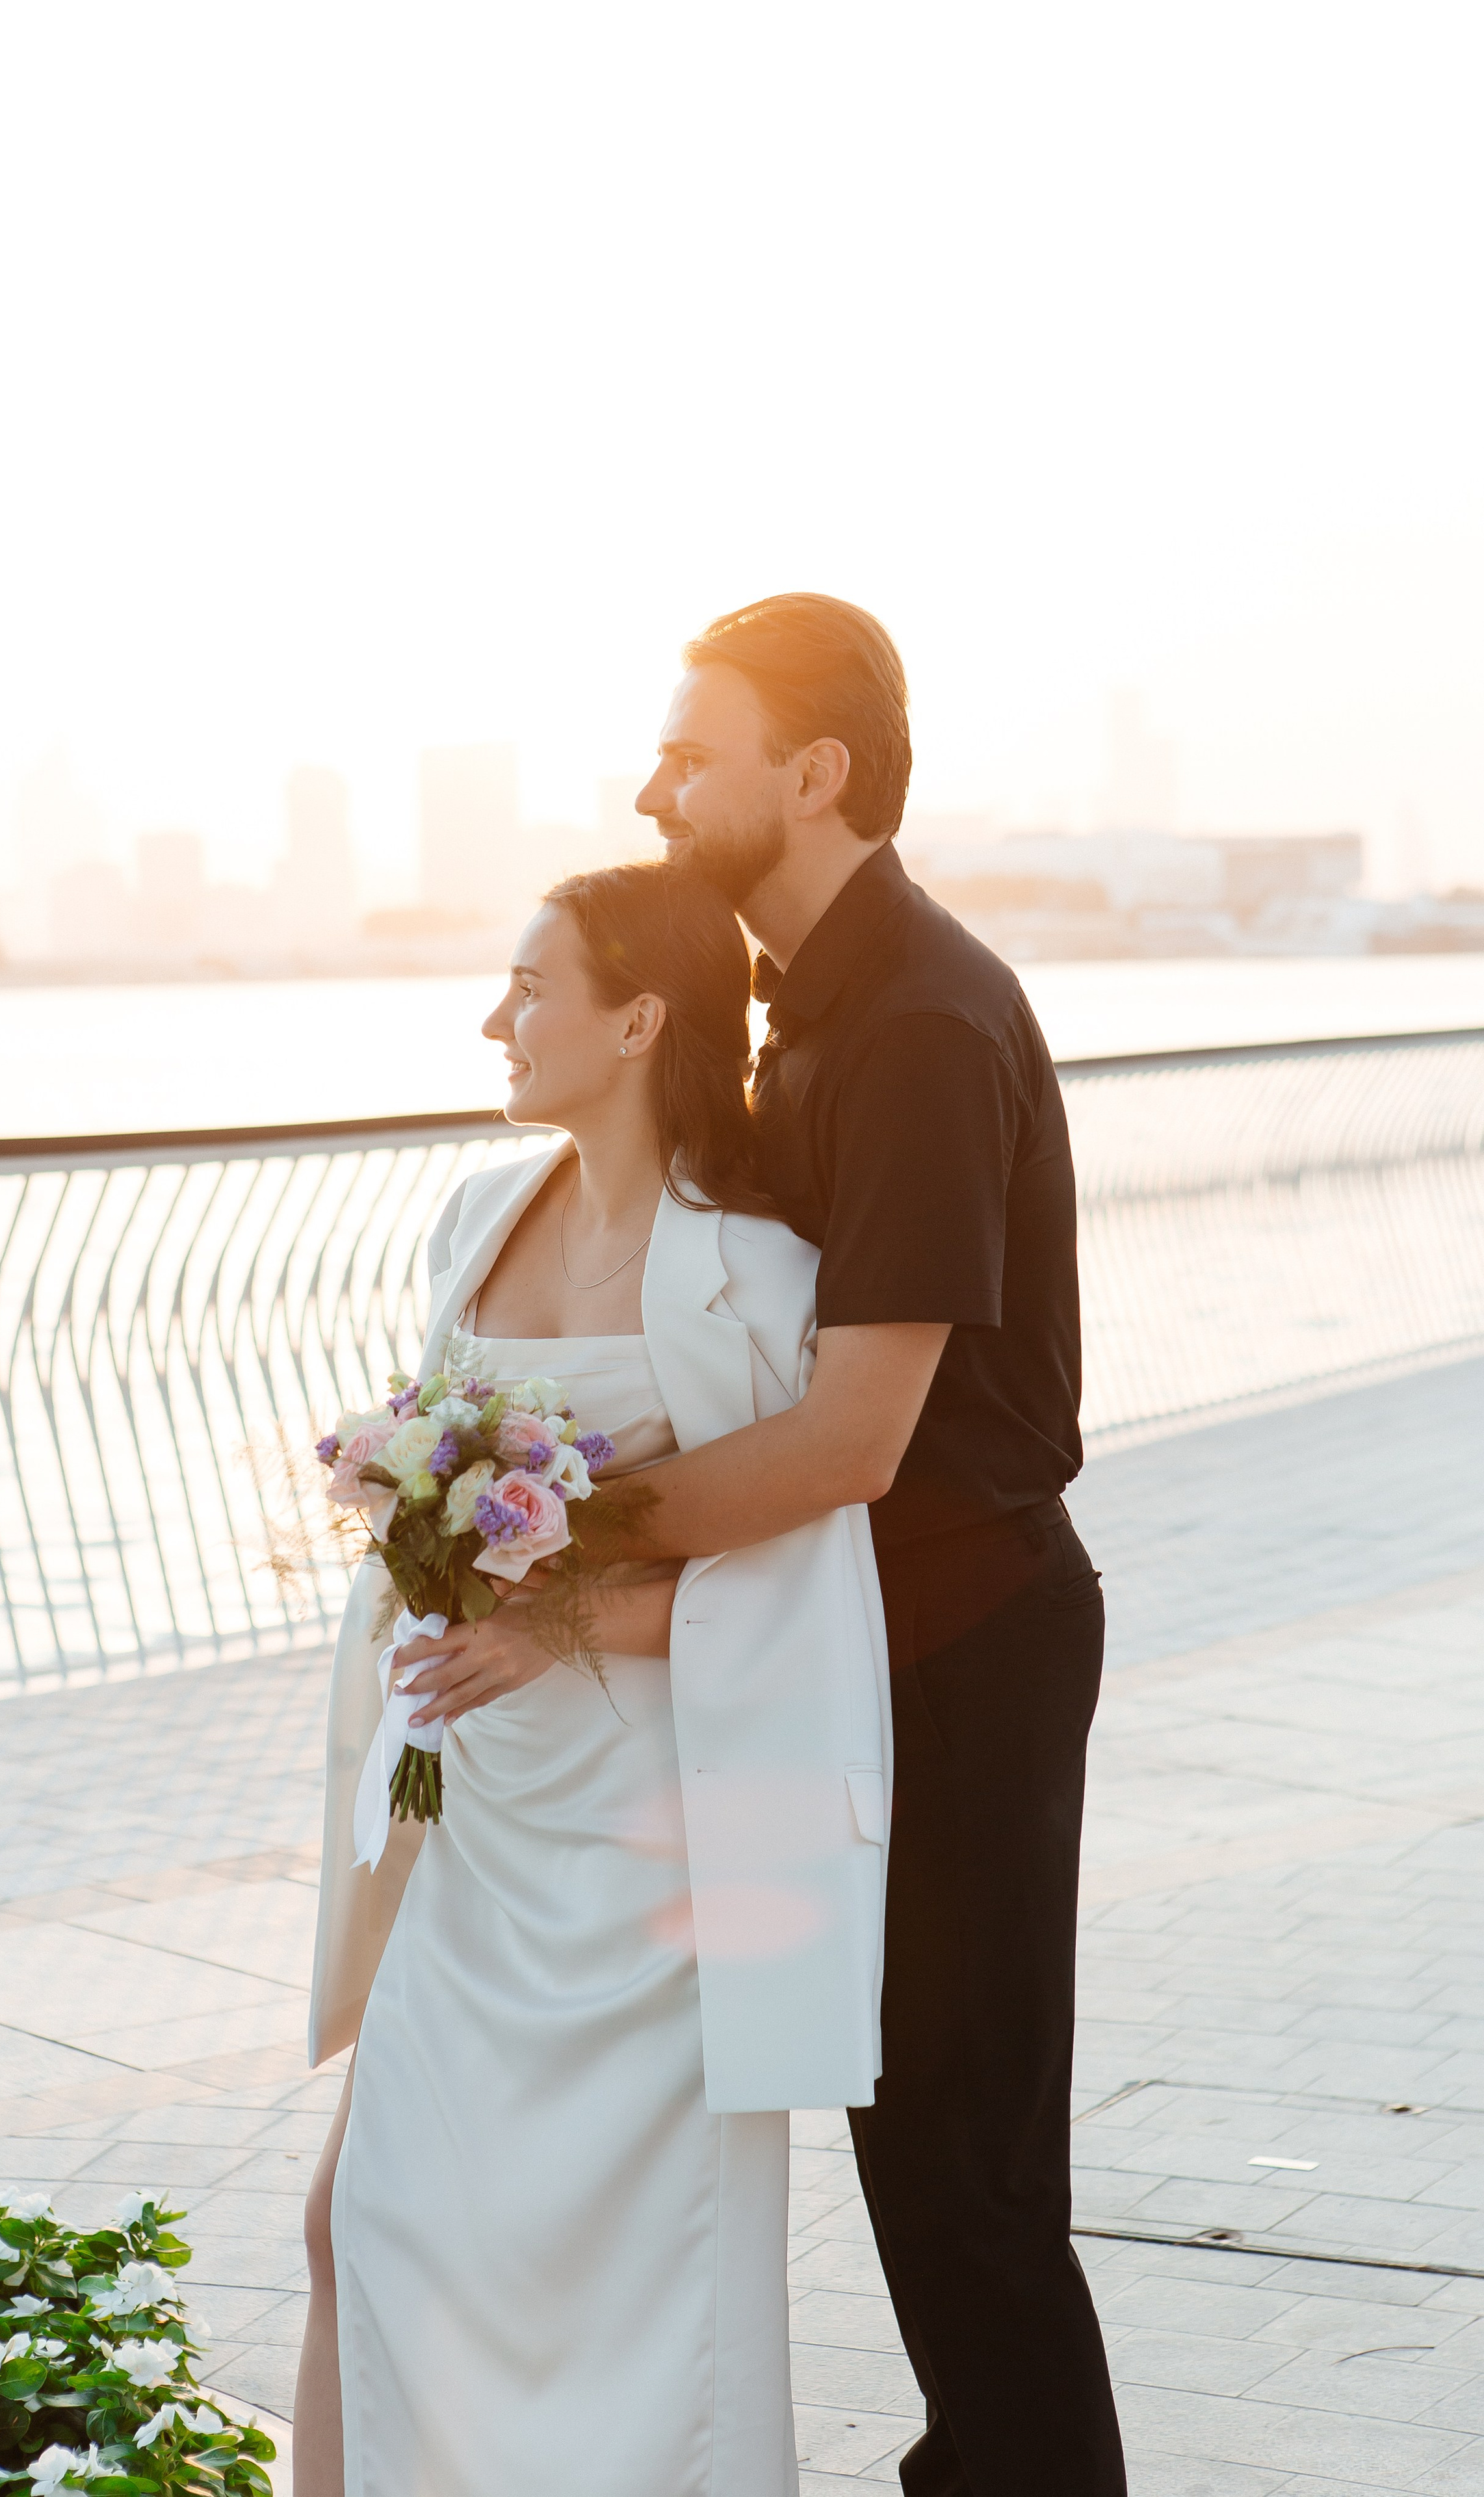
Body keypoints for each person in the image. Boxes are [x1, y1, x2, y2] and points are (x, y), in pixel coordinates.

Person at [408, 595, 1127, 2495]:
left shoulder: (911, 1021)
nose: (656, 787)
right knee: (920, 2162)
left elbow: (847, 1437)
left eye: (691, 752)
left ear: (811, 775)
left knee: (967, 2179)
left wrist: (542, 1536)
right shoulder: (797, 1014)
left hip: (965, 1644)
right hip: (859, 1638)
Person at [295, 859, 892, 2497]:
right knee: (360, 2222)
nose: (496, 1018)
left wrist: (555, 1621)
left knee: (635, 2296)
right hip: (475, 1821)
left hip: (655, 1852)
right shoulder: (473, 1218)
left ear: (637, 1018)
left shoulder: (754, 1270)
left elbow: (789, 1578)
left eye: (529, 986)